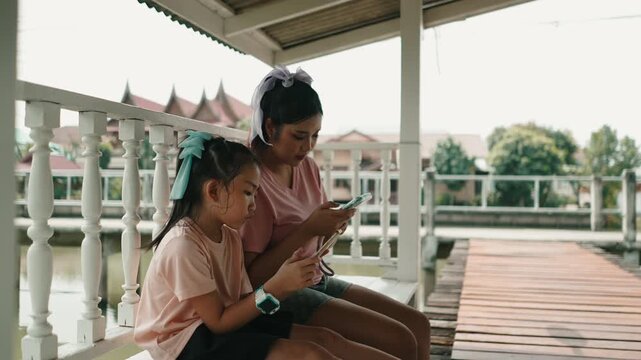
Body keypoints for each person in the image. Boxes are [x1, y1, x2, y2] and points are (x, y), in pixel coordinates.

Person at [134, 132, 397, 360]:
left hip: (221, 325)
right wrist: (277, 286)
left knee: (325, 339)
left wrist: (285, 284)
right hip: (186, 343)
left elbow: (243, 303)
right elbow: (219, 323)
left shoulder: (229, 237)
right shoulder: (184, 246)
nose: (253, 204)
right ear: (213, 191)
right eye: (248, 193)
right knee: (311, 355)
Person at [241, 66, 432, 360]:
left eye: (315, 136)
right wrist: (307, 229)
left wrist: (331, 225)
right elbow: (253, 278)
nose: (308, 147)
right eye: (299, 136)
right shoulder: (251, 179)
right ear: (269, 127)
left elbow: (316, 231)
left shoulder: (306, 167)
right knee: (400, 340)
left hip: (315, 279)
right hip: (281, 293)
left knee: (418, 325)